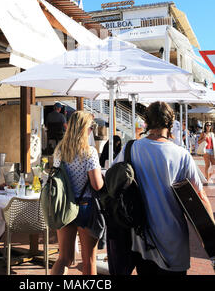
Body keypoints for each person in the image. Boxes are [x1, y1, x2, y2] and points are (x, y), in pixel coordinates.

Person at [112, 101, 214, 275]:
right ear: (170, 123)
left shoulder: (130, 149)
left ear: (147, 122)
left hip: (142, 239)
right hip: (173, 239)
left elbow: (114, 181)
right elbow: (200, 196)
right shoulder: (181, 155)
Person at [51, 111, 104, 275]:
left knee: (64, 258)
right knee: (89, 261)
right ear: (83, 129)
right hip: (85, 206)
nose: (91, 131)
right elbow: (96, 185)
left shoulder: (60, 151)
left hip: (65, 205)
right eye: (91, 127)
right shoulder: (89, 152)